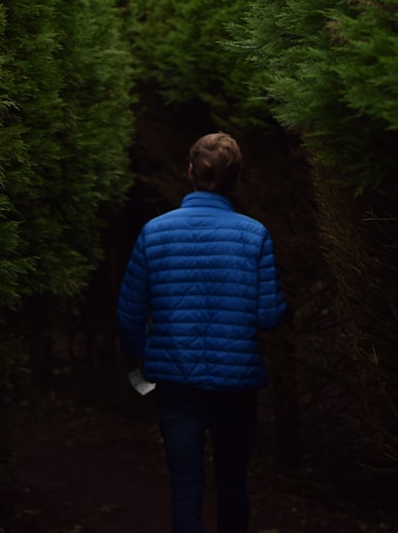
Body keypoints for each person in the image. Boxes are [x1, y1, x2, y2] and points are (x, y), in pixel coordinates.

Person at [117, 132, 288, 533]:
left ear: (190, 172)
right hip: (236, 387)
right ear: (237, 178)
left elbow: (129, 313)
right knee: (232, 486)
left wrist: (138, 362)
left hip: (176, 386)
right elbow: (268, 317)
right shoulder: (255, 235)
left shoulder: (154, 232)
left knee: (186, 488)